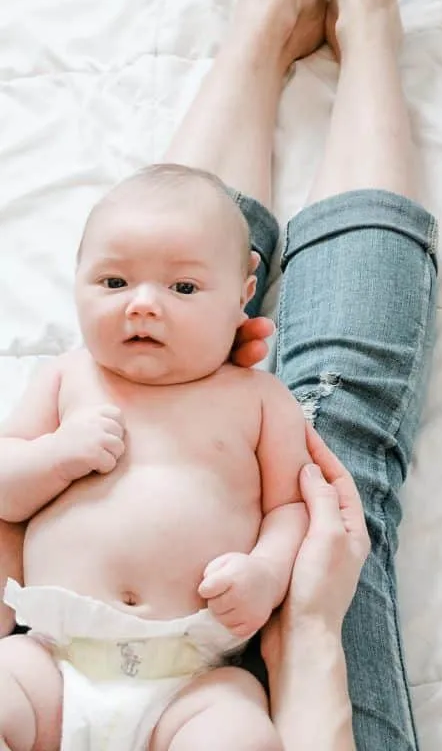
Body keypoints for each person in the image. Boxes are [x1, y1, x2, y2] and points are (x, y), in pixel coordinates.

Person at [0, 0, 436, 751]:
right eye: (109, 286)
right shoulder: (79, 385)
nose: (137, 308)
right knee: (341, 463)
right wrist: (287, 593)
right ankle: (366, 22)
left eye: (167, 291)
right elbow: (296, 515)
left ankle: (269, 12)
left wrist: (264, 561)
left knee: (174, 232)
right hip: (153, 670)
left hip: (98, 665)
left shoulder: (87, 379)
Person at [0, 161, 316, 751]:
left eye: (184, 288)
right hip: (50, 659)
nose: (141, 306)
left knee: (239, 733)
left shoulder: (260, 399)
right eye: (114, 283)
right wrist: (56, 456)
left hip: (192, 678)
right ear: (76, 282)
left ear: (241, 299)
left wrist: (265, 574)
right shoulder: (68, 378)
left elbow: (291, 509)